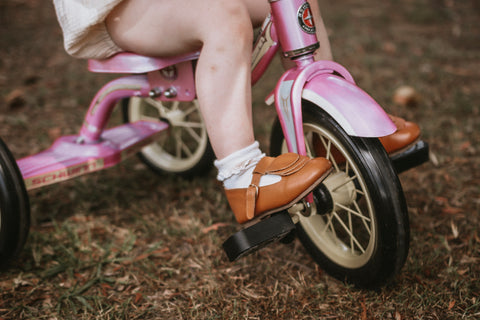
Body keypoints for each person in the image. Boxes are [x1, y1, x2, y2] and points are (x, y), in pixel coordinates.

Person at [53, 0, 418, 224]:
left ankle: (340, 126)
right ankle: (242, 175)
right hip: (119, 9)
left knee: (297, 0)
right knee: (224, 17)